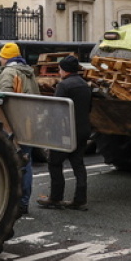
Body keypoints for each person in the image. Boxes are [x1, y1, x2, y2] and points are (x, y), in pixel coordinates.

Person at [38, 56, 92, 211]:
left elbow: (57, 109)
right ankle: (80, 200)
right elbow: (89, 108)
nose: (59, 71)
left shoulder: (64, 85)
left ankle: (56, 198)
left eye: (60, 68)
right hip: (83, 129)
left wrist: (49, 126)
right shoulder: (85, 85)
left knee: (55, 163)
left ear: (64, 69)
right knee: (78, 164)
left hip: (65, 130)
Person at [0, 42, 40, 214]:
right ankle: (24, 201)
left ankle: (15, 201)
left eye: (1, 56)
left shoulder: (9, 72)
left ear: (5, 58)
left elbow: (3, 98)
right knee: (26, 160)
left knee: (13, 161)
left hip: (14, 123)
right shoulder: (28, 72)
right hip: (29, 121)